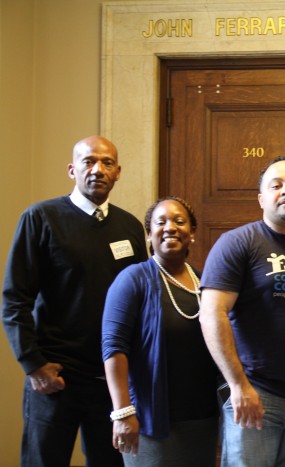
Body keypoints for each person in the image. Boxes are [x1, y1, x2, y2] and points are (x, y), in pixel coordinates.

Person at [2, 135, 148, 467]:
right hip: (55, 379)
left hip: (109, 380)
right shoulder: (41, 218)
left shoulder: (130, 227)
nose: (98, 169)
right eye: (89, 161)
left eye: (107, 163)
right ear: (72, 169)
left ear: (118, 172)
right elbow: (15, 299)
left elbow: (141, 301)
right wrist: (33, 364)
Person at [198, 156, 285, 467]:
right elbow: (212, 314)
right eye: (276, 185)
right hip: (256, 395)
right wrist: (238, 385)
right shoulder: (238, 243)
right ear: (262, 198)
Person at [102, 197, 219, 466]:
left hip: (202, 419)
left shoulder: (205, 282)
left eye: (180, 221)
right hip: (149, 419)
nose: (170, 227)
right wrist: (122, 412)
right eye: (161, 222)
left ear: (192, 233)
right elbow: (113, 348)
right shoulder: (132, 279)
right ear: (149, 232)